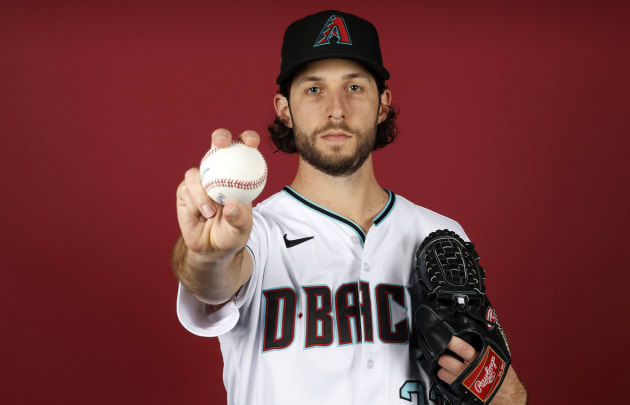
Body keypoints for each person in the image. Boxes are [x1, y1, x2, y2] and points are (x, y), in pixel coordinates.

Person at [171, 10, 527, 405]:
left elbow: (502, 392)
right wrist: (208, 256)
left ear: (382, 104)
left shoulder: (439, 235)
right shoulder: (255, 233)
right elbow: (215, 281)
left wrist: (505, 392)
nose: (336, 109)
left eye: (355, 87)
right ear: (284, 108)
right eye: (314, 89)